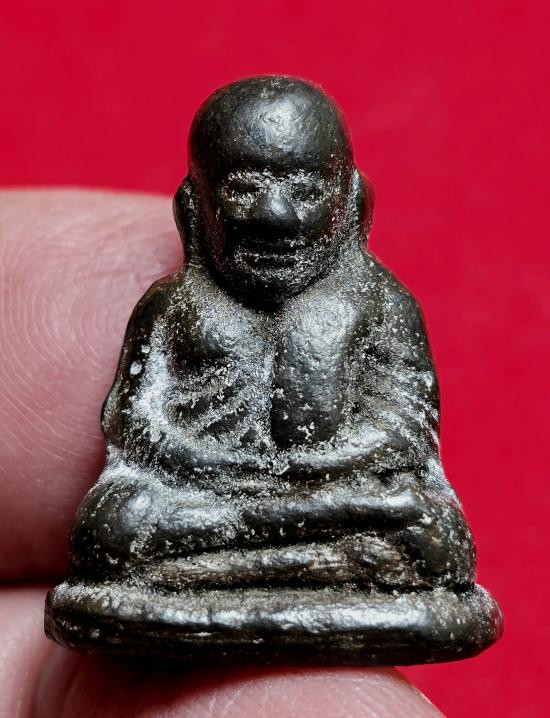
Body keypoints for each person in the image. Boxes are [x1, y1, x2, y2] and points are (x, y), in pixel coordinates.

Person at [0, 189, 445, 717]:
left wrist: (317, 467)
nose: (275, 216)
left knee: (432, 534)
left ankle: (202, 572)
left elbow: (406, 426)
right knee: (112, 529)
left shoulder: (381, 302)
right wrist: (214, 465)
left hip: (321, 489)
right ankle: (312, 563)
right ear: (194, 209)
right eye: (244, 191)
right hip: (202, 489)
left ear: (351, 206)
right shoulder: (172, 305)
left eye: (305, 193)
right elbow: (134, 419)